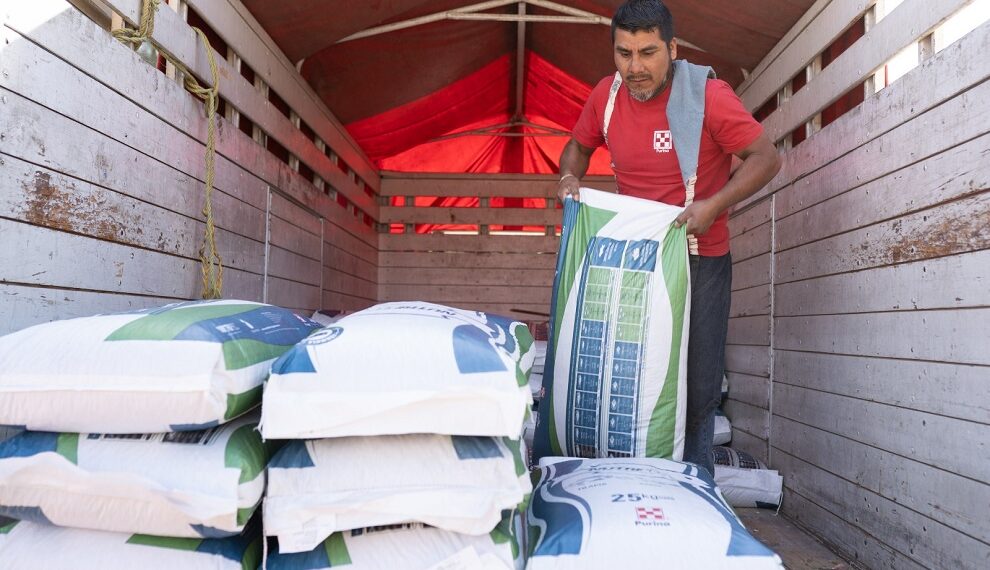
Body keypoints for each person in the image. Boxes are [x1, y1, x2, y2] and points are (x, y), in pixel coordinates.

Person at [557, 0, 781, 476]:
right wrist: (569, 178)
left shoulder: (708, 97)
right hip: (633, 258)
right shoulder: (605, 97)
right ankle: (630, 477)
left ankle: (693, 483)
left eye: (647, 52)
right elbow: (577, 145)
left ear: (672, 49)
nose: (634, 67)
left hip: (700, 258)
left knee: (697, 385)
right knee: (633, 373)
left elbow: (766, 158)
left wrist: (713, 205)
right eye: (624, 53)